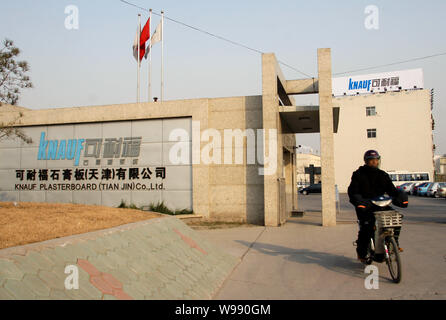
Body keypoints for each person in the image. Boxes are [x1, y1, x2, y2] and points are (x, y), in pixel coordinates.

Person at [347, 150, 403, 263]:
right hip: (365, 205)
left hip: (381, 204)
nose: (374, 162)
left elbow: (392, 190)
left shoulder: (383, 175)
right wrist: (359, 201)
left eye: (376, 160)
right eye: (371, 160)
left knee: (397, 218)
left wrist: (400, 197)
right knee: (366, 228)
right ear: (366, 161)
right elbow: (353, 191)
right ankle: (362, 253)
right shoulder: (358, 174)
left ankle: (394, 243)